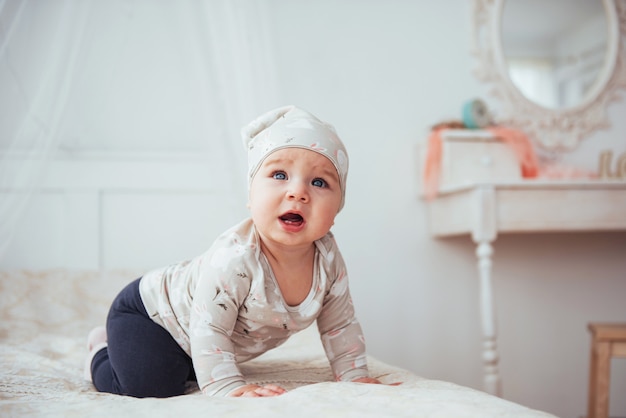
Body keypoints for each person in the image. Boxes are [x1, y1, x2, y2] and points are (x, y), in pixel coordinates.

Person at [84, 105, 390, 398]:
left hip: (195, 338)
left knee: (185, 369)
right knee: (152, 384)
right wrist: (227, 385)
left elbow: (340, 322)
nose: (298, 192)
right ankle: (100, 351)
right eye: (280, 175)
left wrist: (353, 375)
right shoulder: (236, 256)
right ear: (251, 195)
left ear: (337, 209)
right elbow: (210, 324)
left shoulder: (328, 258)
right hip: (150, 314)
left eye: (320, 182)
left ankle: (186, 362)